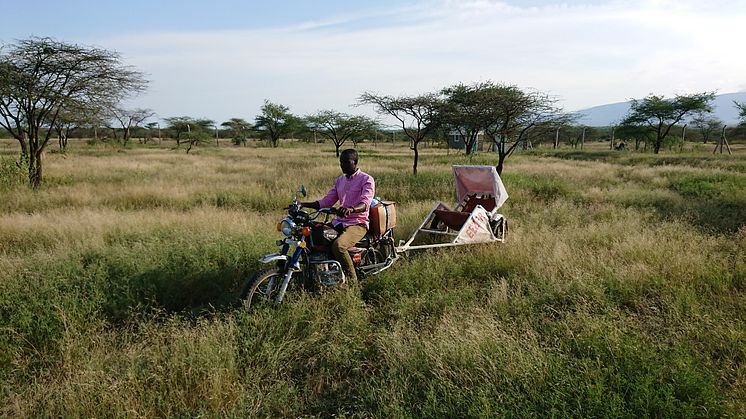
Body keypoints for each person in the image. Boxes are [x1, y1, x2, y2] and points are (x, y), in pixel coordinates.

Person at [301, 149, 375, 283]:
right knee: (314, 237)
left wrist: (351, 209)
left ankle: (353, 283)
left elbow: (365, 203)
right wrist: (303, 204)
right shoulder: (340, 180)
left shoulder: (366, 179)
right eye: (341, 162)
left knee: (339, 246)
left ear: (355, 162)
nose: (343, 165)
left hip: (358, 223)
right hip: (339, 222)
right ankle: (318, 276)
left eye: (346, 162)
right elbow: (326, 202)